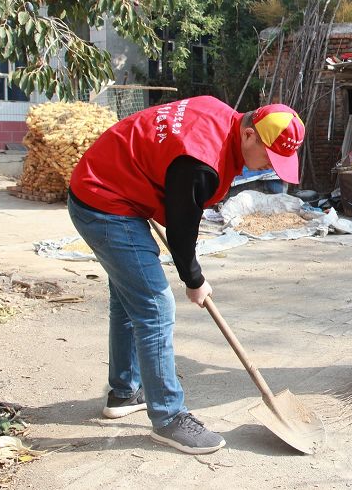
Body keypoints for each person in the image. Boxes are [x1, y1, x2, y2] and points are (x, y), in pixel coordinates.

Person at [68, 96, 304, 453]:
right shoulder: (201, 161)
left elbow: (170, 176)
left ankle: (123, 392)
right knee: (155, 308)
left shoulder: (218, 113)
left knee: (129, 296)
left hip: (113, 180)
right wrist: (194, 280)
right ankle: (169, 418)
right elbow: (181, 231)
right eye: (269, 157)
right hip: (104, 200)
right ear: (251, 135)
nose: (268, 166)